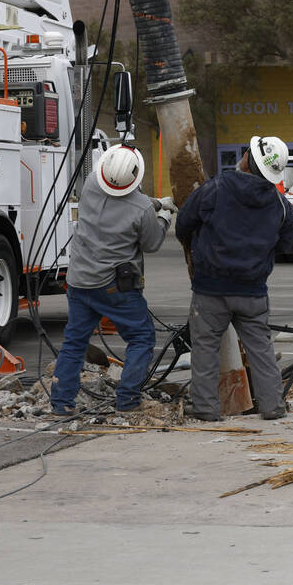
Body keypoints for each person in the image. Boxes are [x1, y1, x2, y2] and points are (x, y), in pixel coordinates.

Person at [176, 135, 293, 421]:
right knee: (261, 350)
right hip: (252, 292)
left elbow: (183, 225)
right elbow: (285, 244)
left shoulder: (215, 189)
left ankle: (206, 408)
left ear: (246, 159)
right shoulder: (279, 205)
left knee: (205, 349)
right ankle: (272, 406)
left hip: (210, 290)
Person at [50, 144, 175, 417]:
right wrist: (163, 215)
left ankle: (61, 402)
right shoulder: (142, 209)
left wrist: (152, 202)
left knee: (74, 342)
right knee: (141, 338)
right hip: (114, 287)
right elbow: (151, 242)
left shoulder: (92, 184)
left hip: (80, 281)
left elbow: (124, 201)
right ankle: (128, 399)